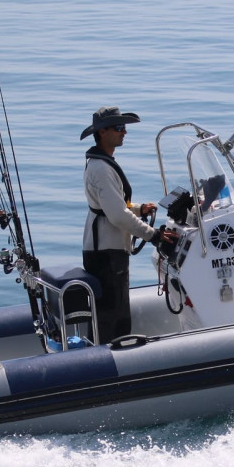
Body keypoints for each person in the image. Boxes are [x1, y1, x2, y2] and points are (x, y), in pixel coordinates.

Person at [80, 105, 176, 343]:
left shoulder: (100, 163)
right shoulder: (101, 168)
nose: (124, 132)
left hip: (105, 249)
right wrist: (153, 235)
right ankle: (108, 358)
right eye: (119, 127)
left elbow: (111, 206)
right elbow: (117, 216)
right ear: (102, 132)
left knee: (113, 313)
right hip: (107, 253)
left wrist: (139, 209)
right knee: (113, 317)